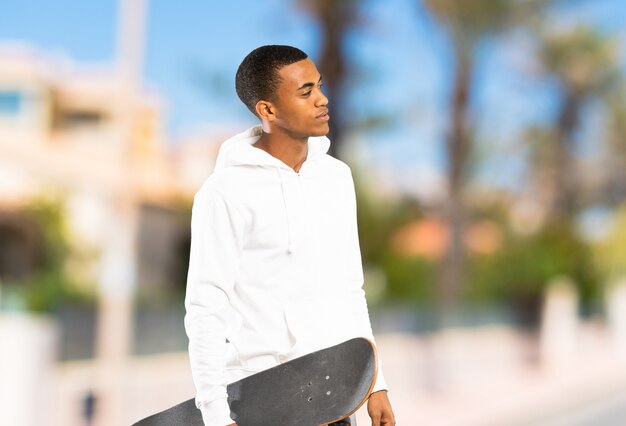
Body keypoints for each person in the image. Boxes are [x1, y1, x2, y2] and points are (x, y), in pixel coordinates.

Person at [184, 45, 396, 426]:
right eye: (306, 92)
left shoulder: (335, 178)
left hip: (333, 397)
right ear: (267, 110)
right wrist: (215, 414)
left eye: (319, 87)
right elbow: (206, 307)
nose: (322, 99)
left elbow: (349, 288)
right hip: (262, 398)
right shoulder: (224, 192)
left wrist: (375, 383)